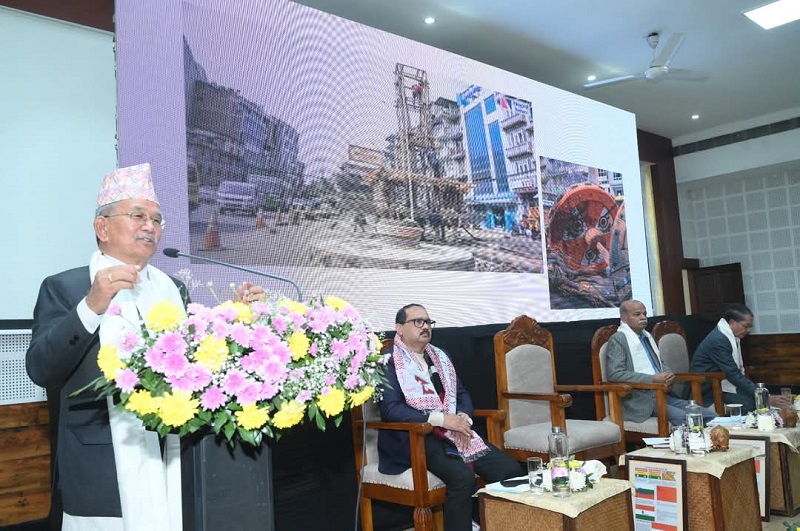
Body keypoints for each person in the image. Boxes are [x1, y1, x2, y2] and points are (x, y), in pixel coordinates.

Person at [25, 163, 263, 531]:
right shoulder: (65, 288)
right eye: (138, 216)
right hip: (102, 468)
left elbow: (192, 368)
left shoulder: (173, 289)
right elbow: (41, 369)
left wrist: (232, 322)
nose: (150, 226)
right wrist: (91, 306)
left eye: (156, 219)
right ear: (102, 227)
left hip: (173, 458)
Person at [378, 304, 522, 531]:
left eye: (428, 322)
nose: (425, 326)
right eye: (418, 321)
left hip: (455, 433)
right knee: (462, 478)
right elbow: (391, 410)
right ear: (399, 328)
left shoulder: (440, 357)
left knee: (509, 470)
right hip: (415, 438)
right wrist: (442, 420)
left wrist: (463, 418)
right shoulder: (388, 361)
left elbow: (461, 394)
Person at [605, 300, 716, 426]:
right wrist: (652, 379)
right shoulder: (618, 339)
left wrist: (668, 374)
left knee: (710, 416)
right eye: (637, 314)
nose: (643, 318)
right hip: (640, 400)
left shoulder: (646, 336)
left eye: (645, 314)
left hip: (662, 394)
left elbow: (659, 363)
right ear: (624, 318)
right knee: (687, 419)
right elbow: (615, 374)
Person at [690, 303, 791, 413]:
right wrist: (764, 396)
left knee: (755, 400)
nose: (749, 330)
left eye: (750, 326)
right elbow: (733, 374)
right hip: (706, 391)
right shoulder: (718, 340)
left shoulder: (728, 336)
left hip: (720, 385)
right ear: (732, 322)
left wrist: (764, 395)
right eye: (746, 326)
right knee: (749, 404)